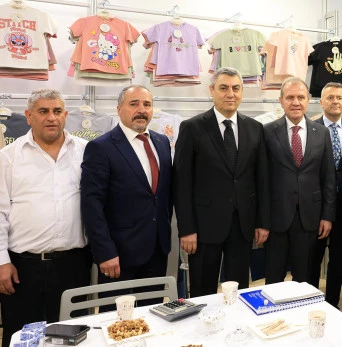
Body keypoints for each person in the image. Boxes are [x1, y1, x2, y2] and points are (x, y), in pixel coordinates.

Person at [0, 89, 91, 347]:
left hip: (73, 265)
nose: (51, 117)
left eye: (57, 111)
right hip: (23, 268)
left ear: (66, 115)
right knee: (23, 337)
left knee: (74, 337)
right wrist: (1, 262)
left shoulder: (85, 151)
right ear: (29, 116)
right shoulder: (8, 157)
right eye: (43, 111)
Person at [173, 67, 269, 296]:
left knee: (238, 290)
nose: (230, 94)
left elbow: (262, 179)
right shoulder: (192, 127)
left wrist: (262, 222)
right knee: (202, 290)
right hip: (204, 227)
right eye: (223, 88)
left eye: (236, 88)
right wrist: (186, 230)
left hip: (242, 225)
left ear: (242, 92)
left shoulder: (255, 129)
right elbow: (181, 184)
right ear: (212, 90)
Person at [81, 85, 173, 292]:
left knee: (153, 308)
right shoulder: (101, 147)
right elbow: (91, 205)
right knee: (116, 311)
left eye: (147, 104)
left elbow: (163, 197)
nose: (141, 110)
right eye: (134, 104)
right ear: (118, 109)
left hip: (157, 250)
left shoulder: (162, 143)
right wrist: (105, 252)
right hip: (118, 255)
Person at [263, 77, 336, 284]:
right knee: (274, 277)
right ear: (281, 101)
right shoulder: (267, 131)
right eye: (290, 97)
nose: (295, 102)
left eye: (301, 97)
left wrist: (327, 216)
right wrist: (262, 220)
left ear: (308, 100)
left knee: (304, 278)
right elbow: (262, 178)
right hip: (276, 217)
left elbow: (328, 178)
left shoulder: (321, 133)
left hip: (309, 217)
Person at [308, 82, 342, 308]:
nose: (335, 101)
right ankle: (311, 302)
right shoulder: (311, 128)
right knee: (313, 258)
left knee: (338, 260)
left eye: (339, 97)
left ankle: (332, 303)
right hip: (317, 206)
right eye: (330, 98)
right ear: (321, 102)